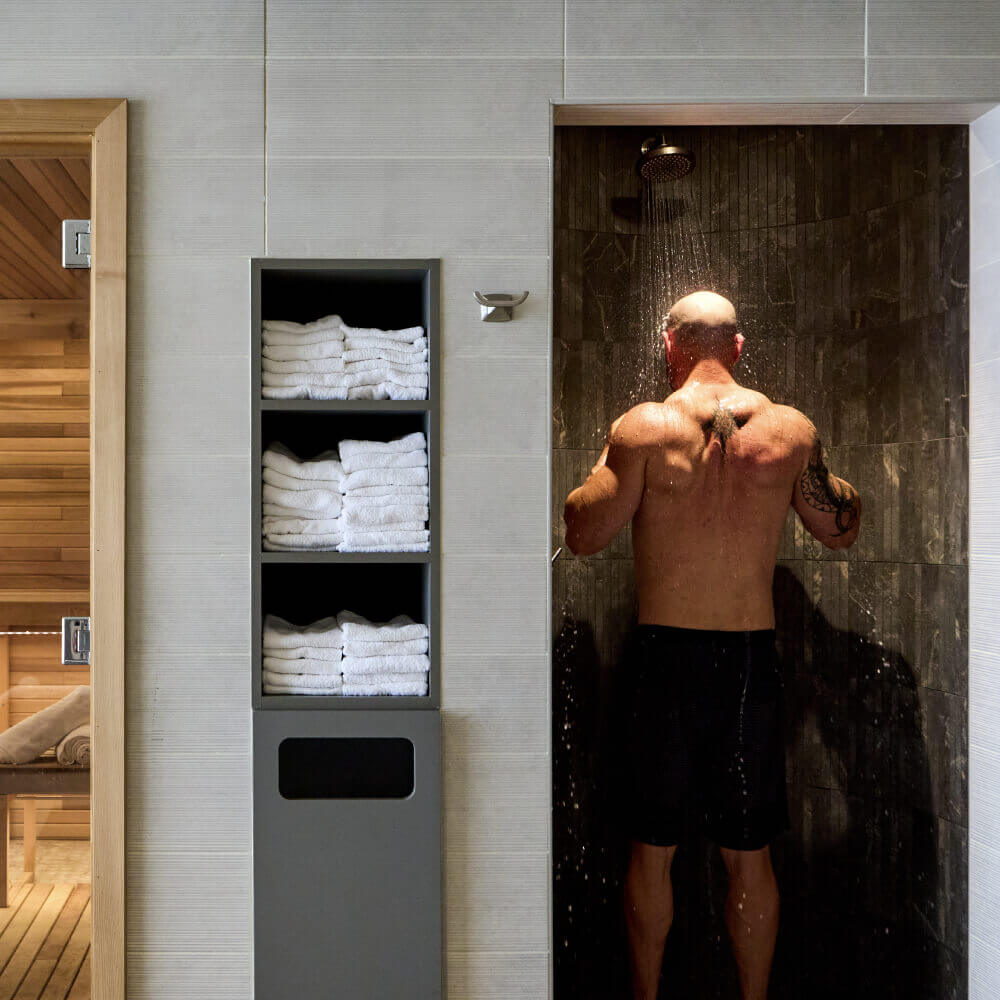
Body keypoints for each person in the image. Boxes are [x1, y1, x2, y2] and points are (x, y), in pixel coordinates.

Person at [562, 291, 861, 1000]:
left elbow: (582, 534)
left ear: (670, 346)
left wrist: (603, 465)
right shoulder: (790, 432)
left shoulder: (645, 427)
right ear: (738, 346)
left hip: (664, 660)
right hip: (750, 663)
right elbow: (840, 527)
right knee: (749, 855)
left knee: (652, 850)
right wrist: (821, 474)